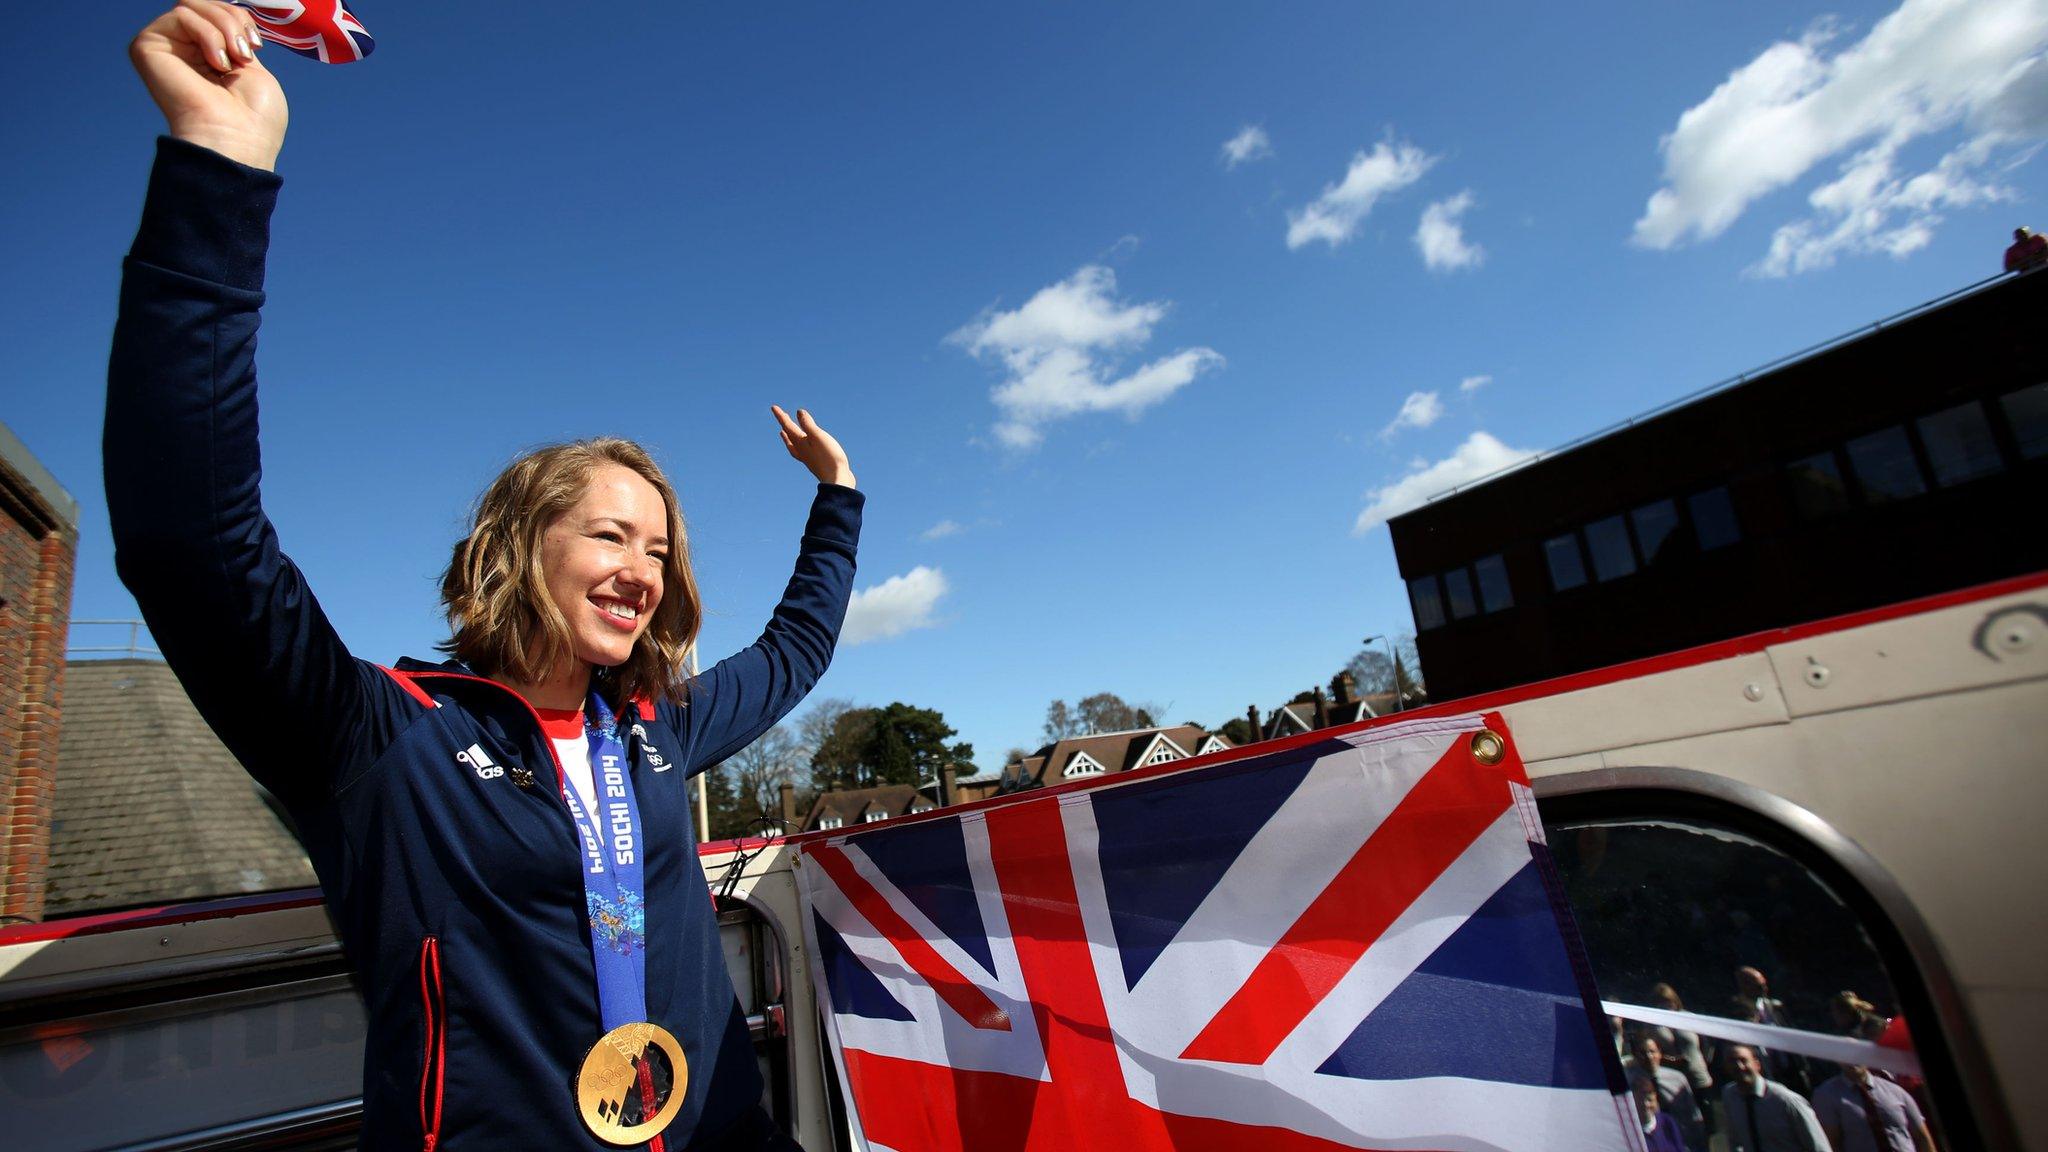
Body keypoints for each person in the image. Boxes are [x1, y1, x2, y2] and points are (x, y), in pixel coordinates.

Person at [107, 4, 861, 1148]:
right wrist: (220, 167)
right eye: (609, 537)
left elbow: (797, 649)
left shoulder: (655, 730)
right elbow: (191, 540)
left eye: (658, 551)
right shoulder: (377, 738)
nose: (641, 573)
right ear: (518, 549)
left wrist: (837, 500)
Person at [1721, 1044, 1829, 1152]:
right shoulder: (1730, 1096)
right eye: (1732, 1061)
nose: (1739, 1066)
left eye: (1743, 1060)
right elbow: (1735, 1139)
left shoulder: (1786, 1100)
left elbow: (1819, 1147)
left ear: (1757, 1064)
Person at [1812, 1066, 1940, 1152]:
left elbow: (1922, 1136)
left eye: (1856, 1052)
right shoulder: (1827, 1096)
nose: (1851, 1058)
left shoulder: (1894, 1090)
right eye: (1845, 1053)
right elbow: (1831, 1142)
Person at [1631, 1032, 1707, 1152]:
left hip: (1683, 1140)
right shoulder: (1632, 1084)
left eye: (1652, 1051)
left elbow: (1693, 1114)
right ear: (1635, 1055)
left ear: (1660, 1053)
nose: (1649, 1057)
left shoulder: (1677, 1078)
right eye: (1643, 1053)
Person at [1650, 981, 1716, 1095]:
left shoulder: (1689, 1018)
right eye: (1661, 1003)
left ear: (1675, 1001)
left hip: (1699, 1077)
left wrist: (1704, 1061)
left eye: (1668, 1002)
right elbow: (1649, 1052)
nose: (1666, 1006)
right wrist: (1668, 1059)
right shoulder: (1652, 1025)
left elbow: (1708, 1043)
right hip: (1671, 1081)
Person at [1634, 1073, 1690, 1152]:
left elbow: (1680, 1148)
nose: (1646, 1105)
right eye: (1640, 1101)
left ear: (1656, 1100)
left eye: (1650, 1100)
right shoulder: (1633, 1133)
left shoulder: (1667, 1121)